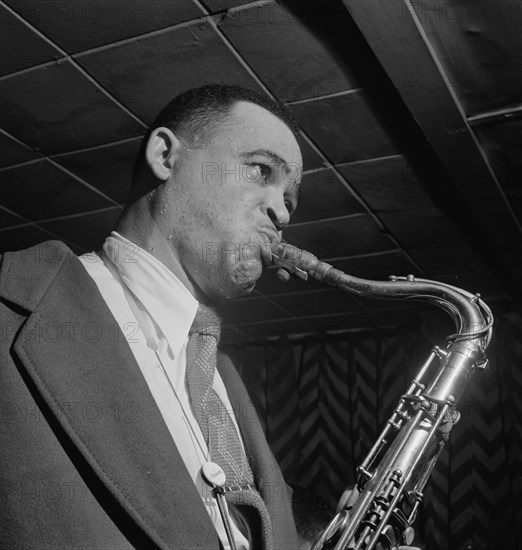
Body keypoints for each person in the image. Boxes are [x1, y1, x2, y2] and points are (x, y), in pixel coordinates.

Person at [0, 84, 420, 549]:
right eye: (261, 170)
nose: (281, 211)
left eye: (290, 201)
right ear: (165, 156)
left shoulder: (219, 375)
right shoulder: (11, 308)